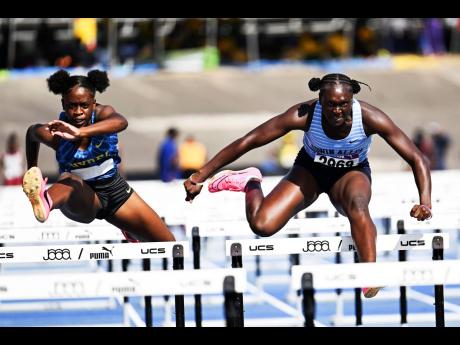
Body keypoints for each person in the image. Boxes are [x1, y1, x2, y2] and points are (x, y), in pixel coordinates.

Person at [184, 73, 433, 298]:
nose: (337, 111)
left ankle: (368, 275)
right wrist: (200, 175)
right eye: (331, 104)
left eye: (343, 104)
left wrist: (425, 202)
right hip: (310, 171)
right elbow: (249, 140)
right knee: (262, 225)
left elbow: (416, 158)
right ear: (320, 100)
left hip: (351, 173)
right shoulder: (304, 114)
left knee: (358, 205)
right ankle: (250, 181)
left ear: (352, 100)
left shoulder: (370, 117)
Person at [23, 69, 175, 243]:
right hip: (83, 200)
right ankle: (45, 200)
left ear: (94, 103)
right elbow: (32, 133)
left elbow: (121, 122)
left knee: (169, 244)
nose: (78, 111)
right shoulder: (56, 133)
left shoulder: (103, 114)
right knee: (69, 180)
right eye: (72, 106)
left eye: (84, 105)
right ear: (63, 104)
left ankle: (129, 228)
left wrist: (80, 132)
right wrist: (32, 170)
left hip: (116, 191)